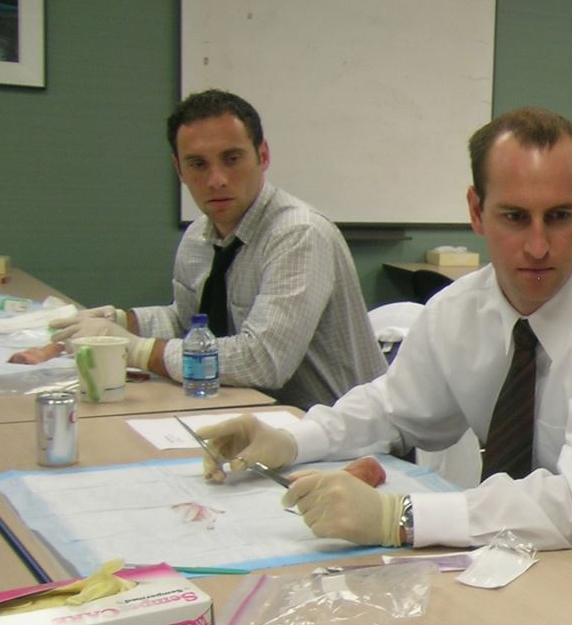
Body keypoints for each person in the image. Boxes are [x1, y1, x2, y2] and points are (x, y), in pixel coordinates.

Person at [201, 107, 572, 607]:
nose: (539, 246)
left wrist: (398, 517)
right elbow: (394, 408)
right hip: (520, 555)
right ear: (476, 211)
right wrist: (289, 440)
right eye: (515, 217)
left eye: (559, 216)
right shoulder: (462, 309)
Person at [51, 89, 386, 411]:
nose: (217, 180)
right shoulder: (199, 236)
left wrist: (135, 349)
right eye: (198, 164)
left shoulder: (298, 235)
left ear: (263, 155)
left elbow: (263, 361)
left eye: (232, 158)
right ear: (178, 169)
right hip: (252, 415)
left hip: (339, 435)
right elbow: (188, 323)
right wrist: (122, 321)